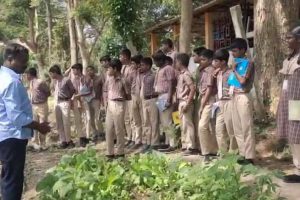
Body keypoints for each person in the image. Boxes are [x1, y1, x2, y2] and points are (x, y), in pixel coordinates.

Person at [0, 43, 51, 200]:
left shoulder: (3, 76)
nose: (26, 65)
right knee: (13, 182)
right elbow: (16, 117)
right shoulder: (11, 82)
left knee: (7, 177)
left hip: (4, 135)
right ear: (10, 59)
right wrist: (39, 126)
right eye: (23, 61)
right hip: (12, 137)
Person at [277, 26, 300, 183]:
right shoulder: (291, 57)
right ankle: (297, 167)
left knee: (297, 133)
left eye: (290, 37)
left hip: (297, 100)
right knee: (292, 133)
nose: (287, 41)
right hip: (288, 99)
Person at [229, 38, 256, 165]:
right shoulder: (235, 62)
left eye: (235, 51)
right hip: (233, 96)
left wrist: (234, 70)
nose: (233, 53)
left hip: (243, 96)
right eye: (232, 51)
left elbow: (243, 81)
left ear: (243, 50)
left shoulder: (248, 63)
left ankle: (250, 156)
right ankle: (242, 153)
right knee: (237, 127)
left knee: (246, 126)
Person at [212, 49, 237, 153]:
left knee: (231, 130)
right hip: (220, 103)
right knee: (219, 129)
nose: (214, 63)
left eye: (216, 61)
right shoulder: (218, 73)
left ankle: (233, 152)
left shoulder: (230, 73)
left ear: (223, 62)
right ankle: (223, 153)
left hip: (229, 102)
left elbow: (233, 88)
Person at [105, 59, 130, 159]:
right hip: (110, 104)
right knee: (109, 128)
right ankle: (109, 152)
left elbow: (128, 94)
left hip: (119, 104)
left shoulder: (124, 80)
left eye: (109, 68)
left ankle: (120, 152)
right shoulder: (109, 78)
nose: (108, 70)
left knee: (119, 129)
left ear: (115, 69)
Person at [197, 49, 219, 162]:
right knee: (210, 126)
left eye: (204, 59)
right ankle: (212, 150)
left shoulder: (210, 71)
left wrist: (202, 105)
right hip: (204, 98)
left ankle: (206, 152)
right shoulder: (203, 70)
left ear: (210, 60)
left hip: (209, 100)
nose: (201, 61)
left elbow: (209, 90)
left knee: (203, 126)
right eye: (200, 59)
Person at [153, 51, 177, 152]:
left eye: (156, 61)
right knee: (164, 122)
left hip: (166, 95)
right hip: (160, 96)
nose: (155, 63)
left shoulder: (168, 68)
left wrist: (169, 98)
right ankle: (167, 142)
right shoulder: (160, 69)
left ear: (161, 60)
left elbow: (171, 83)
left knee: (168, 121)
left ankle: (173, 144)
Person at [175, 53, 197, 155]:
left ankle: (191, 146)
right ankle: (185, 145)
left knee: (188, 124)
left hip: (185, 101)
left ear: (180, 62)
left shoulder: (186, 74)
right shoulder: (181, 74)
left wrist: (188, 104)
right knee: (182, 125)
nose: (175, 63)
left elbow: (192, 88)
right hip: (181, 101)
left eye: (176, 62)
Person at [75, 65, 104, 143]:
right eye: (87, 71)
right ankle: (95, 133)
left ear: (94, 70)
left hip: (96, 100)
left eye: (91, 70)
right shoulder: (86, 79)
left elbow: (103, 89)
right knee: (90, 119)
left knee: (97, 118)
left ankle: (101, 133)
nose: (89, 72)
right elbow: (84, 90)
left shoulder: (99, 78)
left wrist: (103, 100)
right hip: (88, 100)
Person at [49, 65, 76, 149]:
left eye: (51, 73)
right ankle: (63, 141)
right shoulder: (54, 81)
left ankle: (69, 140)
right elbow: (52, 89)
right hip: (57, 102)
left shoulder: (66, 80)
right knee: (59, 123)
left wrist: (68, 98)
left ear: (55, 73)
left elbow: (73, 90)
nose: (51, 75)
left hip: (65, 102)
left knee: (66, 122)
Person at [25, 68, 51, 150]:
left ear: (30, 74)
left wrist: (42, 99)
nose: (26, 76)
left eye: (27, 75)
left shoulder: (40, 82)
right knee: (34, 123)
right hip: (33, 105)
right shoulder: (30, 83)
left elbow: (48, 92)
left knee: (43, 123)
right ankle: (35, 143)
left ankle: (43, 143)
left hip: (41, 105)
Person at [139, 57, 159, 153]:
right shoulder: (143, 76)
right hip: (145, 100)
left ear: (148, 66)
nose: (141, 67)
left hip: (152, 99)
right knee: (146, 122)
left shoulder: (154, 75)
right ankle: (147, 141)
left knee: (154, 122)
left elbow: (158, 87)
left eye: (142, 65)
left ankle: (154, 143)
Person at [70, 63, 89, 147]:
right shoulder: (73, 80)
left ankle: (87, 136)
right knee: (78, 119)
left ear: (79, 70)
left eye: (74, 70)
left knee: (87, 118)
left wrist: (79, 95)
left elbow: (89, 90)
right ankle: (81, 137)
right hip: (76, 101)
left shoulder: (86, 78)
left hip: (85, 100)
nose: (73, 71)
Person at [193, 46, 207, 151]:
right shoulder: (198, 68)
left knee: (204, 123)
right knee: (197, 120)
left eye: (194, 55)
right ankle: (199, 145)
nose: (193, 57)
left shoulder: (207, 69)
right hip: (198, 96)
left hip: (205, 97)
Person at [120, 49, 135, 147]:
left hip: (131, 96)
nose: (120, 58)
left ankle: (135, 138)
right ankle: (129, 137)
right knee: (126, 119)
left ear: (125, 56)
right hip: (124, 97)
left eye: (120, 56)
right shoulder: (123, 67)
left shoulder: (132, 67)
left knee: (133, 118)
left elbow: (130, 80)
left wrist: (122, 79)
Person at [130, 55, 144, 149]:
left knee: (144, 119)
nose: (132, 65)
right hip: (134, 96)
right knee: (135, 119)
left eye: (133, 63)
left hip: (142, 97)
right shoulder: (132, 72)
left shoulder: (144, 73)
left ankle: (144, 140)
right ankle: (137, 139)